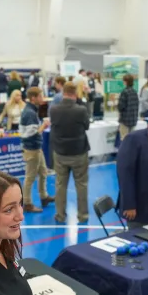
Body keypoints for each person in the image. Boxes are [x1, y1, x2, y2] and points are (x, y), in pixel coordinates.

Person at [50, 82, 90, 224]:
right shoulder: (81, 110)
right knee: (81, 184)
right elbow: (87, 126)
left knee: (60, 184)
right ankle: (83, 215)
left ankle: (60, 215)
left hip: (60, 152)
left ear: (63, 93)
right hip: (79, 152)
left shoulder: (54, 109)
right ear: (75, 94)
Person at [18, 87, 53, 213]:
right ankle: (27, 203)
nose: (42, 98)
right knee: (30, 177)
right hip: (32, 149)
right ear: (33, 98)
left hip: (36, 148)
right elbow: (31, 134)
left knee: (43, 172)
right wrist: (44, 126)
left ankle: (44, 197)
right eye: (40, 96)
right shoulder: (30, 113)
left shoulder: (31, 110)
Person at [116, 74, 139, 141]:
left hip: (125, 120)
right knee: (132, 140)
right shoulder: (135, 92)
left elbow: (121, 106)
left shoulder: (124, 92)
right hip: (133, 119)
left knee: (124, 140)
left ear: (125, 82)